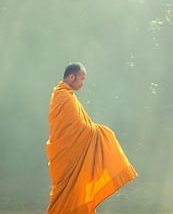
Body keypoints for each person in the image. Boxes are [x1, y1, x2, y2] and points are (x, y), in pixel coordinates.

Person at [46, 62, 138, 214]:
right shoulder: (64, 97)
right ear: (71, 76)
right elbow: (79, 129)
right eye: (81, 79)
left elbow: (77, 126)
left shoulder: (63, 95)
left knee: (75, 193)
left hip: (70, 155)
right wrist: (99, 132)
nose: (83, 83)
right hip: (66, 156)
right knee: (105, 134)